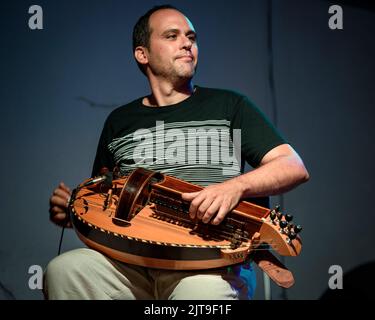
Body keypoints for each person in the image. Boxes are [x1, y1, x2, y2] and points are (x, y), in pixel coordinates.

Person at [45, 4, 309, 300]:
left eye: (191, 37)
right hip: (129, 262)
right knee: (65, 270)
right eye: (172, 36)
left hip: (209, 260)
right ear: (142, 54)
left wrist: (234, 187)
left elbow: (293, 166)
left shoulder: (229, 105)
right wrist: (74, 210)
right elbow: (106, 198)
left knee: (200, 293)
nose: (187, 43)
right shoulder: (119, 121)